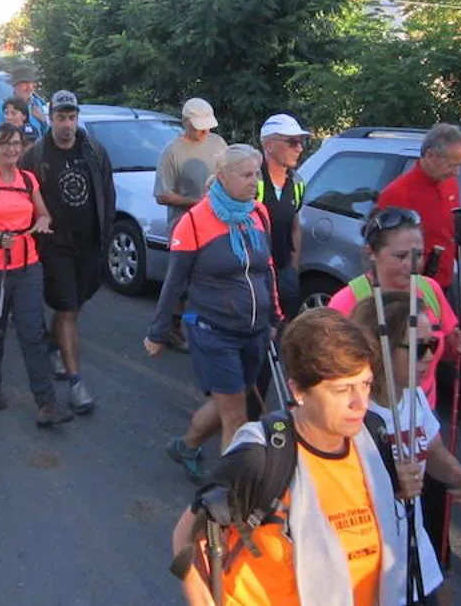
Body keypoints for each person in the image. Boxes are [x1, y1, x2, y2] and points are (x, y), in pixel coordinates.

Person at [169, 308, 421, 606]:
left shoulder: (371, 439)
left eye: (365, 384)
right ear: (299, 390)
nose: (360, 403)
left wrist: (401, 485)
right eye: (342, 390)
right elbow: (186, 536)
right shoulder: (260, 458)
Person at [328, 206, 461, 572]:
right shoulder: (349, 301)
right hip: (369, 429)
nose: (411, 265)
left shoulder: (427, 290)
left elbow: (442, 343)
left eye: (417, 254)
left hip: (419, 418)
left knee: (426, 535)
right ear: (372, 254)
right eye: (399, 256)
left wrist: (458, 344)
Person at [144, 145, 280, 481]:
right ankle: (232, 495)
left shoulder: (257, 213)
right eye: (247, 175)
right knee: (235, 413)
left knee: (235, 399)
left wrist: (274, 316)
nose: (255, 182)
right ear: (222, 177)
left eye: (257, 174)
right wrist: (158, 331)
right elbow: (173, 283)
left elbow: (267, 269)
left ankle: (187, 445)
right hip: (213, 330)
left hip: (255, 329)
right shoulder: (194, 221)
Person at [349, 291, 461, 606]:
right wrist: (391, 486)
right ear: (379, 350)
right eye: (418, 347)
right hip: (372, 565)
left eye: (433, 345)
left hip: (413, 554)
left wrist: (456, 473)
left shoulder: (414, 397)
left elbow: (432, 449)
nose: (429, 356)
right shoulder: (352, 414)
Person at [0, 121, 73, 427]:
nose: (12, 149)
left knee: (32, 334)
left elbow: (44, 213)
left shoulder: (28, 180)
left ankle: (46, 403)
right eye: (5, 143)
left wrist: (42, 222)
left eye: (16, 143)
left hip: (27, 267)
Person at [20, 90, 115, 415]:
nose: (67, 124)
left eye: (71, 117)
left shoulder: (95, 151)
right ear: (50, 117)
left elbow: (108, 196)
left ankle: (53, 342)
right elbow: (21, 196)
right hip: (55, 245)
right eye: (61, 117)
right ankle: (76, 382)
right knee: (68, 308)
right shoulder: (35, 155)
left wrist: (106, 237)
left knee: (73, 305)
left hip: (89, 246)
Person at [375, 123, 461, 304]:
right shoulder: (397, 194)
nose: (457, 173)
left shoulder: (449, 184)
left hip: (443, 286)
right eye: (452, 166)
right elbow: (380, 250)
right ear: (430, 156)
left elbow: (456, 235)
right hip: (411, 291)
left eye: (460, 166)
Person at [154, 97, 228, 353]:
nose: (205, 131)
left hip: (217, 223)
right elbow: (162, 194)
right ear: (186, 122)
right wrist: (195, 203)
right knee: (181, 281)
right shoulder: (172, 152)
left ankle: (206, 328)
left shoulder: (218, 144)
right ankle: (170, 327)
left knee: (210, 277)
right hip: (185, 226)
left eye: (207, 125)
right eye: (199, 126)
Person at [257, 113, 310, 321]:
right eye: (292, 142)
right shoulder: (253, 181)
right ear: (269, 145)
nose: (300, 148)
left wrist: (293, 266)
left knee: (286, 326)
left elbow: (295, 225)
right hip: (256, 273)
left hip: (284, 269)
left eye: (301, 141)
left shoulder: (297, 183)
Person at [0, 65, 48, 140]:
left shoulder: (37, 104)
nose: (29, 87)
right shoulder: (2, 106)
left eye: (31, 83)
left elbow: (46, 135)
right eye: (24, 83)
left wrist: (43, 120)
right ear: (15, 85)